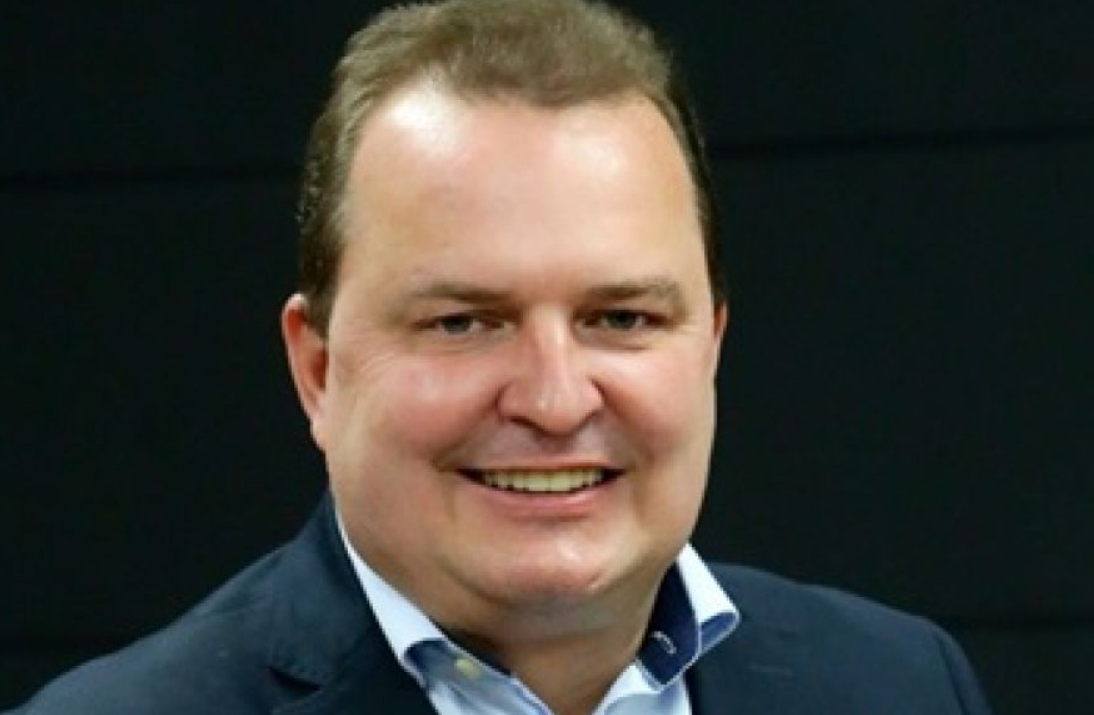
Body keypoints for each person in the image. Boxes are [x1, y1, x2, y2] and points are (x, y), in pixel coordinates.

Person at [8, 1, 995, 714]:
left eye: (620, 317)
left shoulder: (899, 684)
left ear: (709, 349)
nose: (555, 400)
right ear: (317, 371)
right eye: (463, 322)